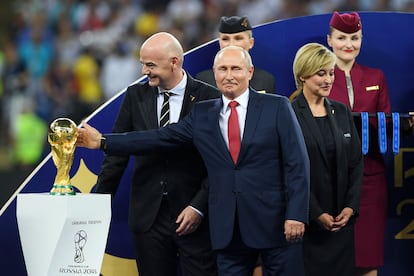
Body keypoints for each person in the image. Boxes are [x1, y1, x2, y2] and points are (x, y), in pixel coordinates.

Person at [77, 45, 310, 276]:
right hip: (227, 231)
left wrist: (296, 214)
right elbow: (159, 137)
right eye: (222, 69)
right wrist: (103, 142)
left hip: (275, 224)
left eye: (236, 69)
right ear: (214, 73)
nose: (229, 76)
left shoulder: (277, 107)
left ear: (250, 72)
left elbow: (297, 165)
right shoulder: (203, 113)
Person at [94, 32, 220, 276]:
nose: (143, 71)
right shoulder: (135, 96)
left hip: (195, 217)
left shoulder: (209, 98)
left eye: (150, 65)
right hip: (148, 218)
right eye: (142, 63)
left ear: (174, 62)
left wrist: (198, 206)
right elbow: (117, 156)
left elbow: (218, 163)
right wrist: (96, 205)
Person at [326, 11, 414, 276]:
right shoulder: (321, 77)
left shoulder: (376, 77)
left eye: (354, 37)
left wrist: (406, 124)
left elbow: (386, 125)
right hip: (330, 180)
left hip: (370, 179)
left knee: (368, 258)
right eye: (341, 37)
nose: (348, 44)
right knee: (331, 260)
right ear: (329, 40)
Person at [291, 42, 363, 276]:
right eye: (321, 73)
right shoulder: (288, 113)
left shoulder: (341, 112)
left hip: (341, 223)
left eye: (331, 73)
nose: (328, 80)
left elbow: (355, 163)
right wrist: (314, 212)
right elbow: (289, 170)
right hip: (307, 224)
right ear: (303, 75)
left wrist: (351, 207)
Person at [196, 16, 276, 93]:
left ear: (251, 43)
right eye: (225, 39)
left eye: (238, 38)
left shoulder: (265, 80)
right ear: (219, 43)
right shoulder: (203, 82)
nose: (231, 44)